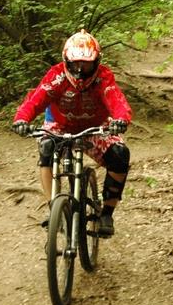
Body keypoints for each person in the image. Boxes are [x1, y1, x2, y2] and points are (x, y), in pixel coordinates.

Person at [12, 29, 133, 236]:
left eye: (86, 65)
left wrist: (121, 119)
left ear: (96, 62)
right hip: (59, 126)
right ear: (66, 61)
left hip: (95, 128)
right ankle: (53, 207)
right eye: (76, 64)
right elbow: (36, 99)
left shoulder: (102, 78)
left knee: (120, 155)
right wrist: (21, 119)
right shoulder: (57, 76)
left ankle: (107, 213)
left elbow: (116, 99)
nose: (80, 70)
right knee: (46, 148)